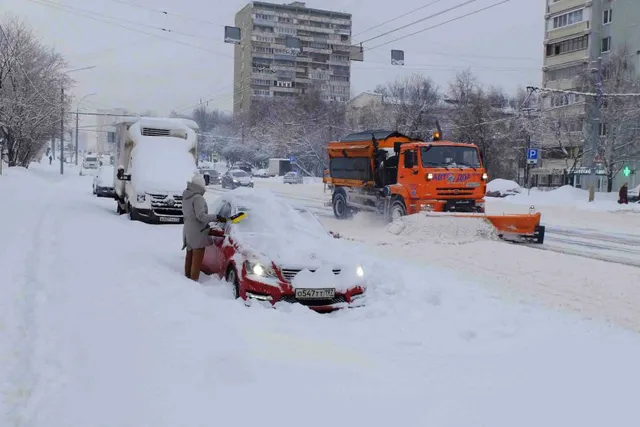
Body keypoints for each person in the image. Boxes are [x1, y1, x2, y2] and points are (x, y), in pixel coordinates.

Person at [182, 173, 218, 281]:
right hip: (198, 231)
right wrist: (216, 217)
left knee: (189, 255)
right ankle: (193, 281)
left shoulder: (186, 196)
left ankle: (186, 278)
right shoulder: (198, 198)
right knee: (197, 259)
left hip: (188, 230)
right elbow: (201, 216)